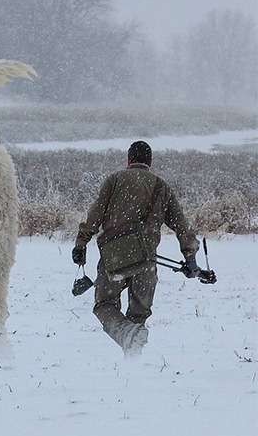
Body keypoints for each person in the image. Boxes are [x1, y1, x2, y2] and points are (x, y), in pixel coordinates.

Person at [72, 140, 199, 357]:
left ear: (129, 160)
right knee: (138, 316)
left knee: (104, 305)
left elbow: (95, 215)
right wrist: (190, 258)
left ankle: (126, 340)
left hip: (115, 258)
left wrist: (82, 242)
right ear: (149, 162)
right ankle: (134, 363)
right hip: (147, 262)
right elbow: (181, 225)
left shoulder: (115, 180)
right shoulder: (161, 187)